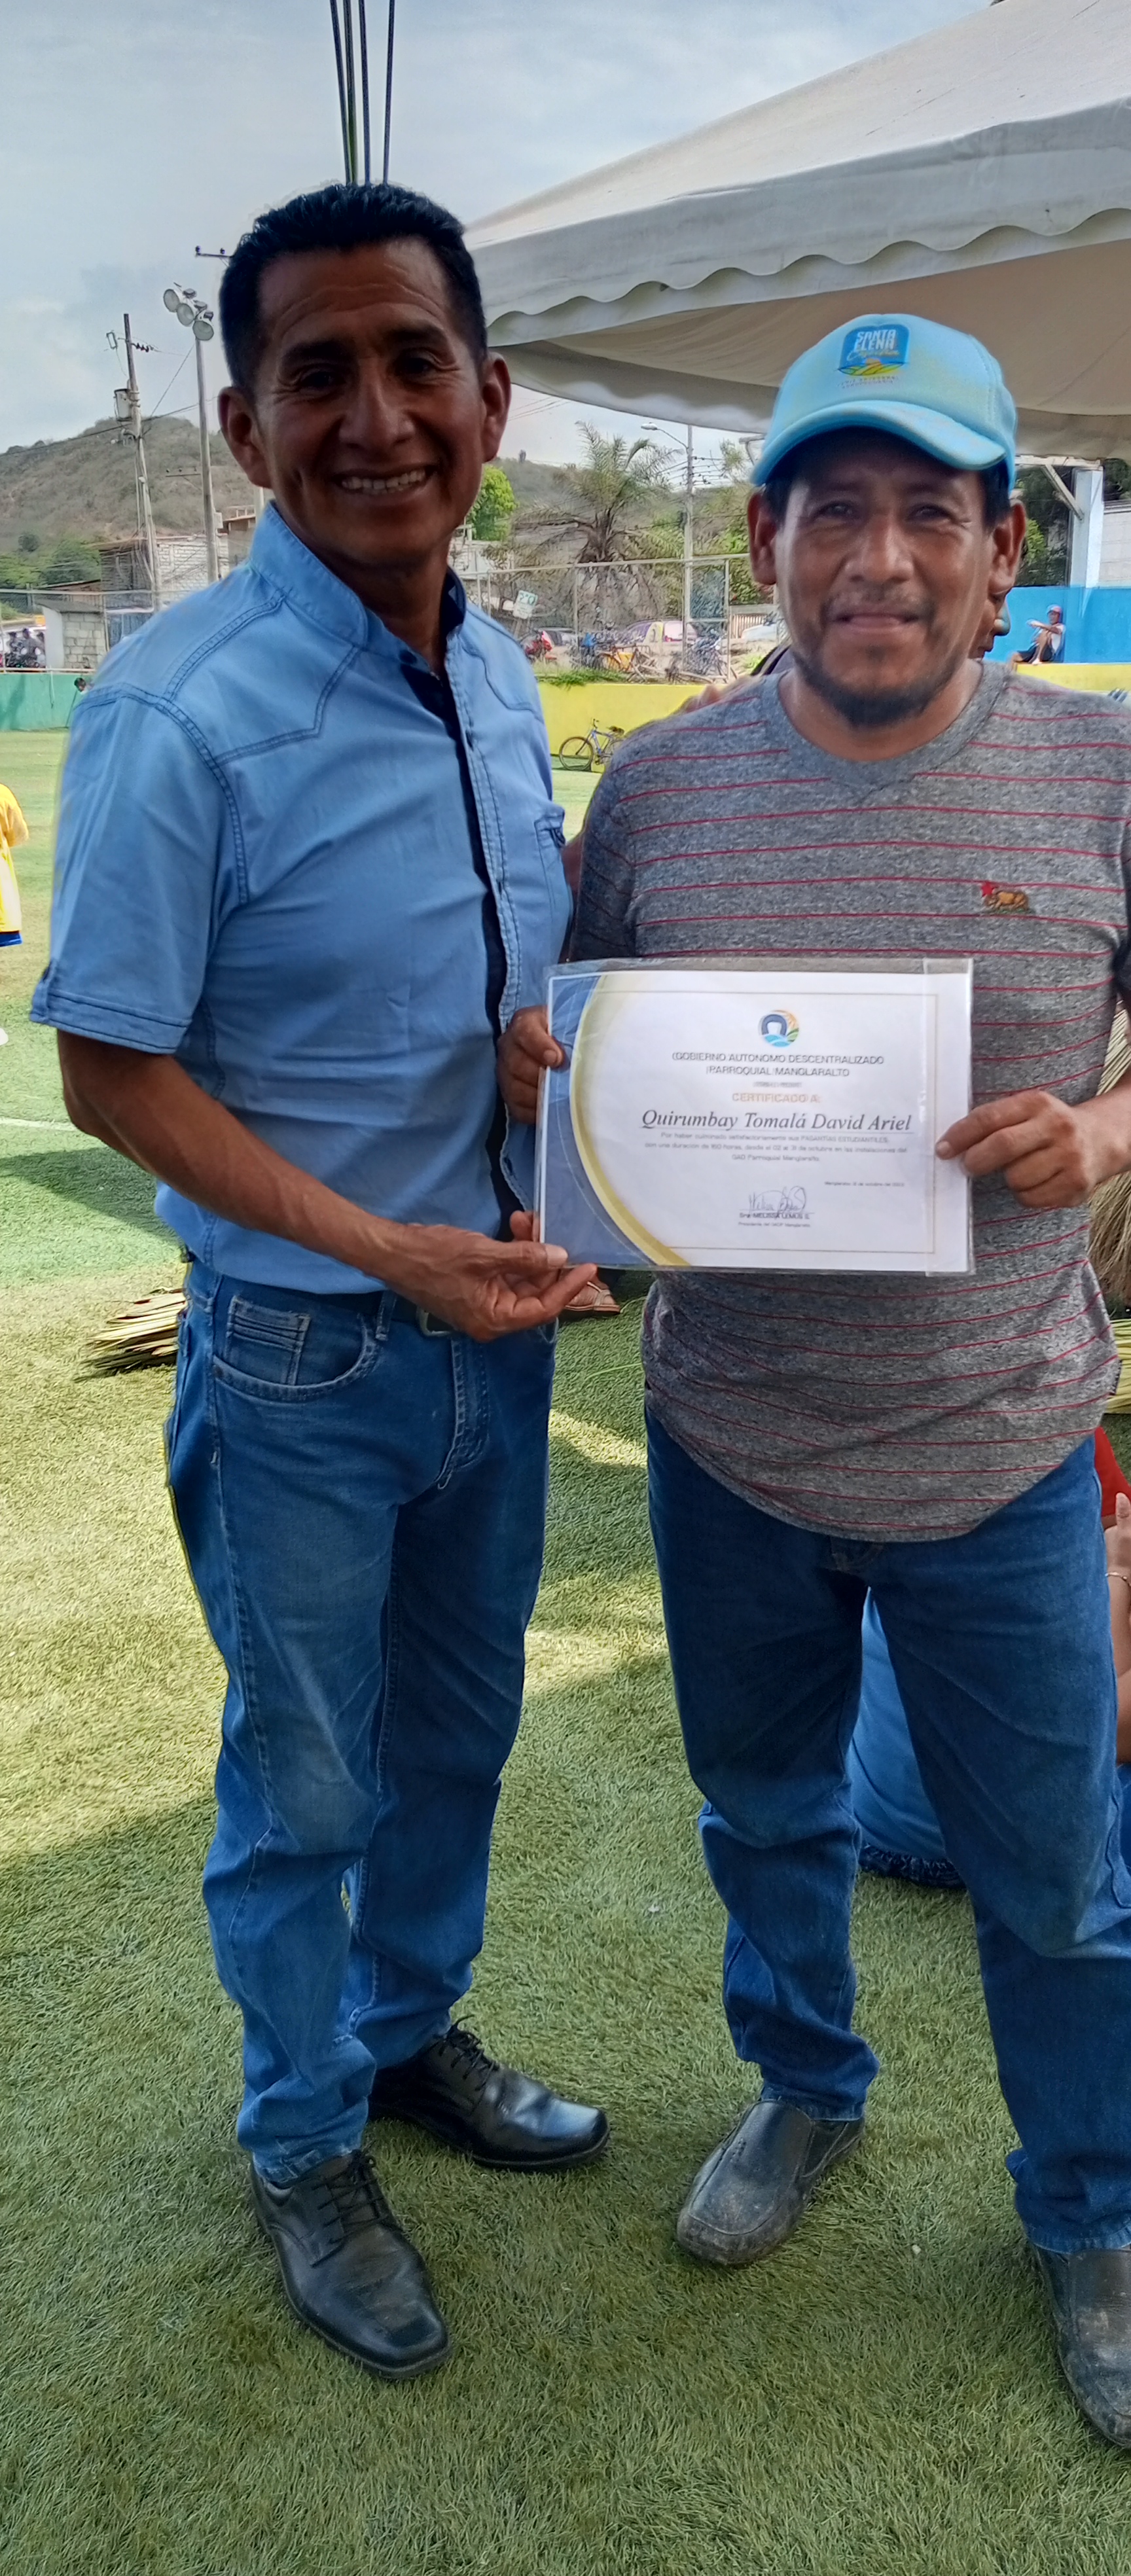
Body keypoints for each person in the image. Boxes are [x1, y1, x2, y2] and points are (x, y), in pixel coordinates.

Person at [501, 313, 1131, 2446]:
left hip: (1003, 1450)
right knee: (765, 1812)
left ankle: (1091, 2206)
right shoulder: (658, 789)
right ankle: (804, 2086)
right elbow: (584, 1082)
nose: (878, 556)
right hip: (731, 1448)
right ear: (766, 535)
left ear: (999, 546)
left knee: (1057, 1876)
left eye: (926, 510)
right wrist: (549, 1098)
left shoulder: (1101, 772)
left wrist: (1099, 1130)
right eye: (833, 509)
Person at [33, 180, 609, 2386]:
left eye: (412, 362)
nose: (375, 417)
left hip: (496, 1337)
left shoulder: (494, 662)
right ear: (244, 424)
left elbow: (474, 975)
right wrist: (379, 1248)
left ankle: (400, 2033)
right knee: (307, 1780)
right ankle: (300, 2139)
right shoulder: (179, 709)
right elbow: (109, 1069)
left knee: (454, 1739)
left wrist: (533, 1063)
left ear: (490, 395)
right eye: (317, 374)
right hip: (302, 1350)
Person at [852, 1437, 1131, 1884]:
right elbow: (1107, 1731)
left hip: (868, 1828)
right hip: (1009, 1852)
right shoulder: (1063, 1435)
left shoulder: (878, 1479)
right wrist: (1121, 1575)